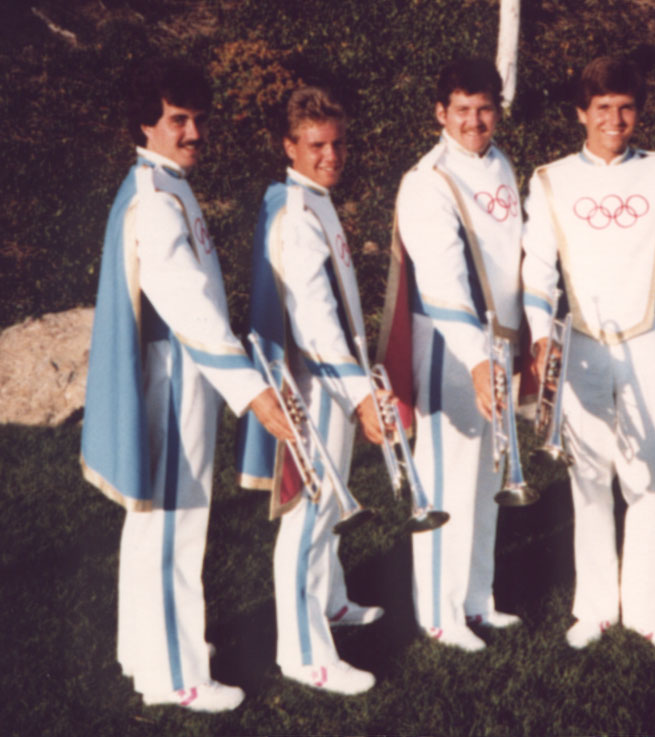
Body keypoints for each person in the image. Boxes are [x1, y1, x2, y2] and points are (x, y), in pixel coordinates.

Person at [80, 58, 292, 712]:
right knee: (175, 525)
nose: (194, 131)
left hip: (180, 371)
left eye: (199, 118)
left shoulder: (163, 181)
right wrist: (254, 391)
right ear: (147, 123)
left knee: (154, 524)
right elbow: (187, 305)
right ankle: (179, 675)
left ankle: (146, 655)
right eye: (179, 119)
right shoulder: (155, 196)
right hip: (174, 377)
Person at [522, 56, 655, 656]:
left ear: (639, 111)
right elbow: (536, 267)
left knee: (653, 477)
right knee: (589, 477)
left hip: (646, 344)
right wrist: (539, 334)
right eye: (602, 107)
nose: (614, 118)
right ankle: (597, 607)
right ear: (582, 112)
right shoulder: (550, 179)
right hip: (580, 346)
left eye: (626, 107)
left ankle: (649, 612)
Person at [236, 86, 386, 695]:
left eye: (337, 142)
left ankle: (328, 601)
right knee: (307, 514)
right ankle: (303, 654)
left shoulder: (311, 199)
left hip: (331, 380)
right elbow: (317, 322)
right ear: (289, 146)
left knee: (327, 508)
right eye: (316, 145)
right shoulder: (296, 214)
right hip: (311, 384)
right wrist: (360, 392)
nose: (332, 155)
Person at [379, 58, 526, 652]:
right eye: (461, 109)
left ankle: (476, 600)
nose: (474, 120)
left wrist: (515, 348)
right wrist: (477, 358)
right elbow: (441, 282)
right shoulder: (427, 180)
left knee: (490, 475)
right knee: (446, 480)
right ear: (440, 113)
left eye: (485, 108)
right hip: (450, 346)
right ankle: (438, 615)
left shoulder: (500, 164)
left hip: (499, 345)